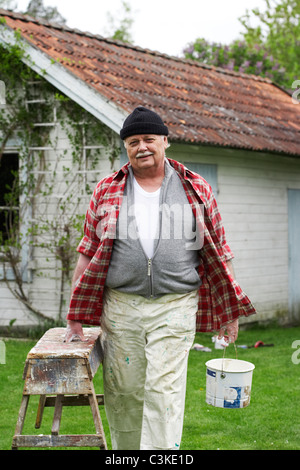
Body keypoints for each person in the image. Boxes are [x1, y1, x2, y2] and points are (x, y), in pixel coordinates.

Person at [65, 106, 256, 450]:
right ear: (126, 147)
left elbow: (221, 250)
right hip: (121, 307)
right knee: (123, 390)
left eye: (149, 139)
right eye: (133, 141)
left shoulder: (196, 188)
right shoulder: (107, 189)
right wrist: (75, 316)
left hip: (176, 306)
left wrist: (230, 312)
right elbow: (87, 251)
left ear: (165, 141)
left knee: (162, 390)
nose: (142, 147)